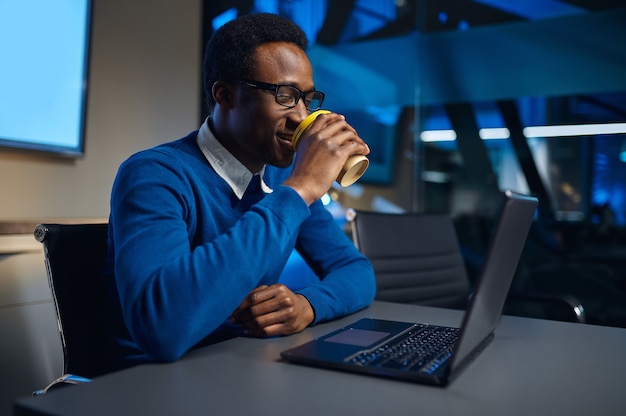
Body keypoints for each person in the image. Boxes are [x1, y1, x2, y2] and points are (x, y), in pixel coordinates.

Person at [103, 12, 375, 367]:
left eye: (307, 99)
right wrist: (301, 189)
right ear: (225, 95)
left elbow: (357, 271)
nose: (301, 116)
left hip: (242, 365)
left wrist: (309, 306)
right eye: (285, 96)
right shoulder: (155, 175)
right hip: (151, 382)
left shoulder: (277, 182)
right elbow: (163, 328)